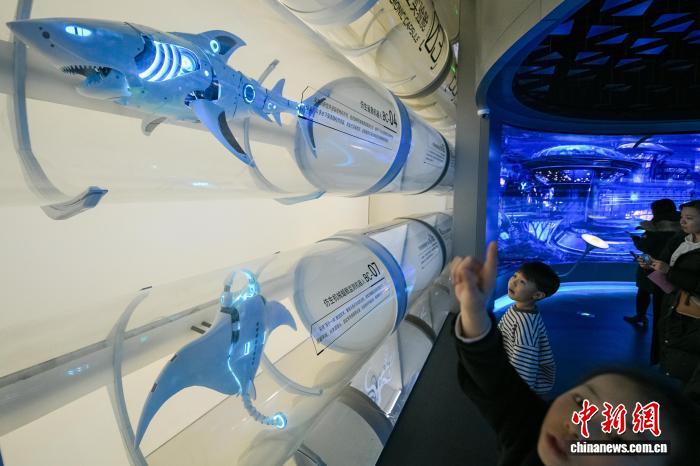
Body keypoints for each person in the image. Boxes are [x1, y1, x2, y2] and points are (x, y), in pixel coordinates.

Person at [451, 243, 700, 466]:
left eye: (617, 439)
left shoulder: (526, 325)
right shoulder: (531, 435)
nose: (578, 426)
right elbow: (498, 381)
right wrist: (473, 312)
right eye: (581, 402)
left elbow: (513, 375)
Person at [641, 200, 700, 389]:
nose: (682, 222)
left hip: (693, 316)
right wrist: (651, 268)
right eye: (682, 217)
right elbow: (672, 284)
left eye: (689, 218)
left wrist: (669, 271)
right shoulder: (681, 240)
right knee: (679, 363)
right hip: (674, 309)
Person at [623, 199, 682, 363]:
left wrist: (636, 240)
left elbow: (646, 246)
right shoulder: (681, 226)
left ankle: (641, 317)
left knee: (644, 291)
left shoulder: (655, 227)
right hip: (671, 267)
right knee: (664, 299)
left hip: (651, 263)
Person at [499, 262, 559, 396]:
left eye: (522, 282)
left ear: (537, 295)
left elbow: (525, 370)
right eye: (515, 276)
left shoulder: (525, 326)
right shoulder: (517, 309)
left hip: (523, 387)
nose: (513, 282)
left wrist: (513, 394)